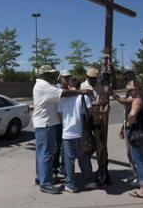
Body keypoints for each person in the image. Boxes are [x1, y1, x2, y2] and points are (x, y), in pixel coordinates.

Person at [33, 65, 92, 194]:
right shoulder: (44, 85)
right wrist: (81, 92)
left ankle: (41, 177)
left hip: (47, 124)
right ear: (45, 74)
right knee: (46, 154)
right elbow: (63, 93)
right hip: (46, 124)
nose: (54, 75)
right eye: (51, 73)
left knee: (43, 153)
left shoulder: (45, 85)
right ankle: (45, 183)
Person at [57, 78, 98, 193]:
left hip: (67, 134)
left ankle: (70, 184)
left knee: (69, 160)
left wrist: (65, 125)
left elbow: (59, 115)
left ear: (69, 86)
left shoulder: (62, 99)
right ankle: (88, 181)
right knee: (84, 158)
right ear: (79, 87)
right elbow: (91, 112)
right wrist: (98, 117)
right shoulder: (83, 97)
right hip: (81, 133)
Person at [124, 81, 143, 199]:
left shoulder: (137, 100)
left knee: (139, 162)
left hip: (137, 134)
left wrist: (128, 123)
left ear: (135, 90)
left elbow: (132, 115)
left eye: (129, 90)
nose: (128, 93)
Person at [80, 67, 111, 185]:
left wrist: (101, 102)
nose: (93, 80)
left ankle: (103, 170)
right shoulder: (82, 86)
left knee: (101, 144)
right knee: (88, 144)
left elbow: (105, 100)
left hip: (98, 117)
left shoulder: (101, 86)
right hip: (87, 118)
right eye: (91, 78)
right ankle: (88, 172)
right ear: (87, 77)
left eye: (94, 78)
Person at [112, 71, 138, 186]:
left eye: (125, 80)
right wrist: (123, 127)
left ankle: (140, 179)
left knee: (136, 155)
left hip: (135, 128)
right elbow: (126, 110)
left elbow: (126, 103)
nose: (124, 83)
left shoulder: (135, 91)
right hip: (128, 126)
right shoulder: (130, 91)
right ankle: (135, 174)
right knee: (130, 154)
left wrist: (113, 94)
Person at [53, 69, 72, 180]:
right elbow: (58, 108)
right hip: (58, 122)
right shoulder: (56, 89)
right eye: (65, 77)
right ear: (60, 78)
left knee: (65, 148)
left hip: (67, 123)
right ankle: (54, 169)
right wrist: (62, 123)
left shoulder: (69, 89)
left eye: (68, 77)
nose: (67, 79)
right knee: (56, 147)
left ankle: (64, 168)